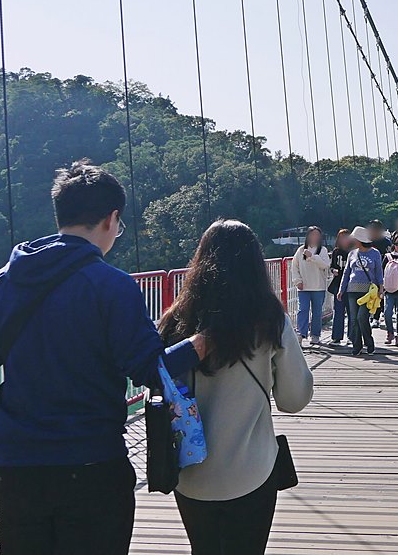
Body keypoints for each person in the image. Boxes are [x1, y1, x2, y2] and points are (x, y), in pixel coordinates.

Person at [0, 160, 208, 554]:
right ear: (112, 218)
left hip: (17, 468)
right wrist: (198, 345)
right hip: (93, 464)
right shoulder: (113, 286)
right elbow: (149, 370)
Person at [158, 220, 313, 555]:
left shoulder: (175, 319)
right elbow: (293, 399)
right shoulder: (268, 318)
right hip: (251, 471)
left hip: (191, 475)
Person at [338, 226, 384, 356]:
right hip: (352, 289)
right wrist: (342, 289)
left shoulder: (375, 253)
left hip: (368, 290)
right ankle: (357, 346)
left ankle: (369, 343)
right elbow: (347, 273)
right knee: (353, 319)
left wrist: (381, 288)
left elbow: (379, 272)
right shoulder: (352, 253)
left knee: (362, 317)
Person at [292, 226, 330, 346]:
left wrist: (312, 257)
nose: (315, 237)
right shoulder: (300, 250)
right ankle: (301, 333)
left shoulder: (322, 250)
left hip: (318, 287)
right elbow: (294, 267)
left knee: (317, 312)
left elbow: (325, 265)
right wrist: (297, 281)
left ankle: (315, 335)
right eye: (312, 235)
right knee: (303, 310)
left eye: (317, 235)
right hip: (304, 287)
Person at [327, 229, 353, 347]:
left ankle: (352, 336)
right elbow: (332, 266)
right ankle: (337, 337)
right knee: (338, 311)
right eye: (341, 237)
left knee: (352, 311)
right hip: (338, 283)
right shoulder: (336, 252)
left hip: (351, 284)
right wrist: (333, 270)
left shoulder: (353, 252)